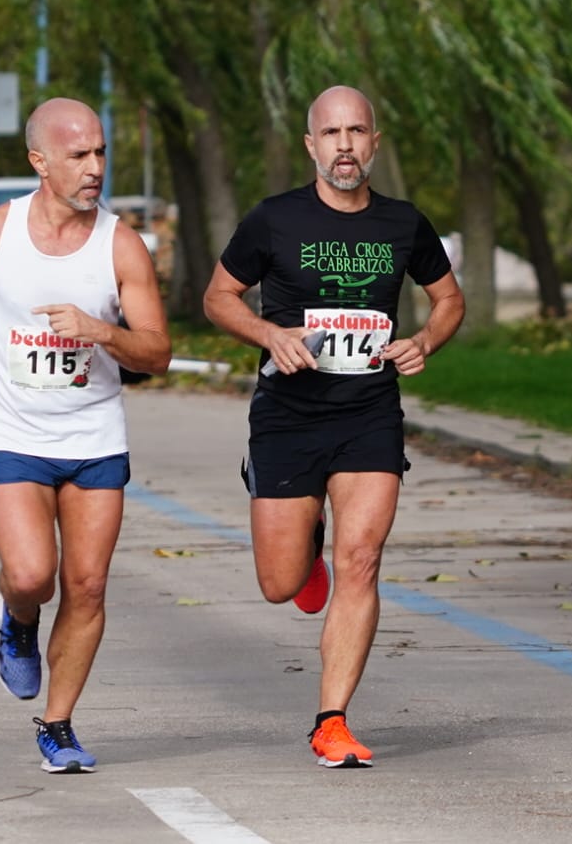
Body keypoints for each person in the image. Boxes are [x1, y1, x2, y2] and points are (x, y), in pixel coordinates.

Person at [203, 84, 465, 768]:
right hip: (289, 414)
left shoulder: (404, 224)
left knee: (364, 559)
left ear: (374, 142)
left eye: (357, 132)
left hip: (368, 412)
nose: (344, 145)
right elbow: (217, 296)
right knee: (280, 582)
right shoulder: (273, 220)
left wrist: (426, 343)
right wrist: (268, 333)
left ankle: (332, 719)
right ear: (310, 146)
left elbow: (448, 300)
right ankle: (302, 532)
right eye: (331, 133)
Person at [0, 97, 170, 773]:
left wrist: (103, 332)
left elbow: (157, 352)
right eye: (79, 155)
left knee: (87, 586)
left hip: (93, 435)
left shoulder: (120, 243)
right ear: (39, 160)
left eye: (101, 153)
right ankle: (17, 612)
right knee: (35, 573)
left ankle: (57, 723)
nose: (95, 168)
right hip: (11, 430)